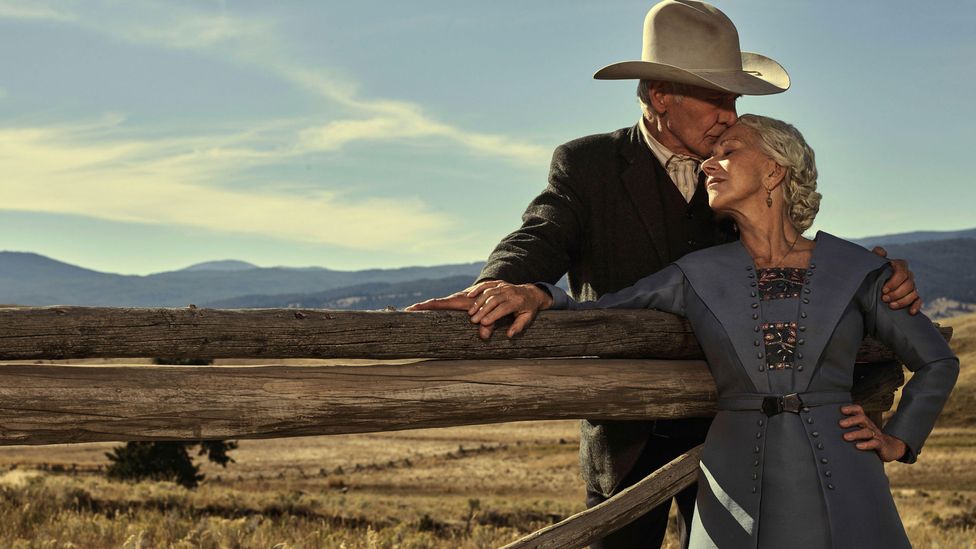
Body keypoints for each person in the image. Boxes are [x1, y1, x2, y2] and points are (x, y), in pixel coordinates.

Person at [408, 2, 921, 547]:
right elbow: (543, 232)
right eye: (718, 98)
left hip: (737, 430)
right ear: (660, 96)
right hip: (626, 425)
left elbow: (785, 250)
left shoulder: (735, 169)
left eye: (734, 99)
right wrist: (508, 282)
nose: (731, 113)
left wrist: (875, 274)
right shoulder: (589, 164)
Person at [456, 114, 959, 548]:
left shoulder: (857, 269)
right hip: (734, 474)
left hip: (844, 471)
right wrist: (537, 292)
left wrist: (899, 439)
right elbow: (603, 311)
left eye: (728, 151)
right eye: (710, 154)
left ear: (773, 170)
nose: (707, 162)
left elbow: (937, 361)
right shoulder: (694, 272)